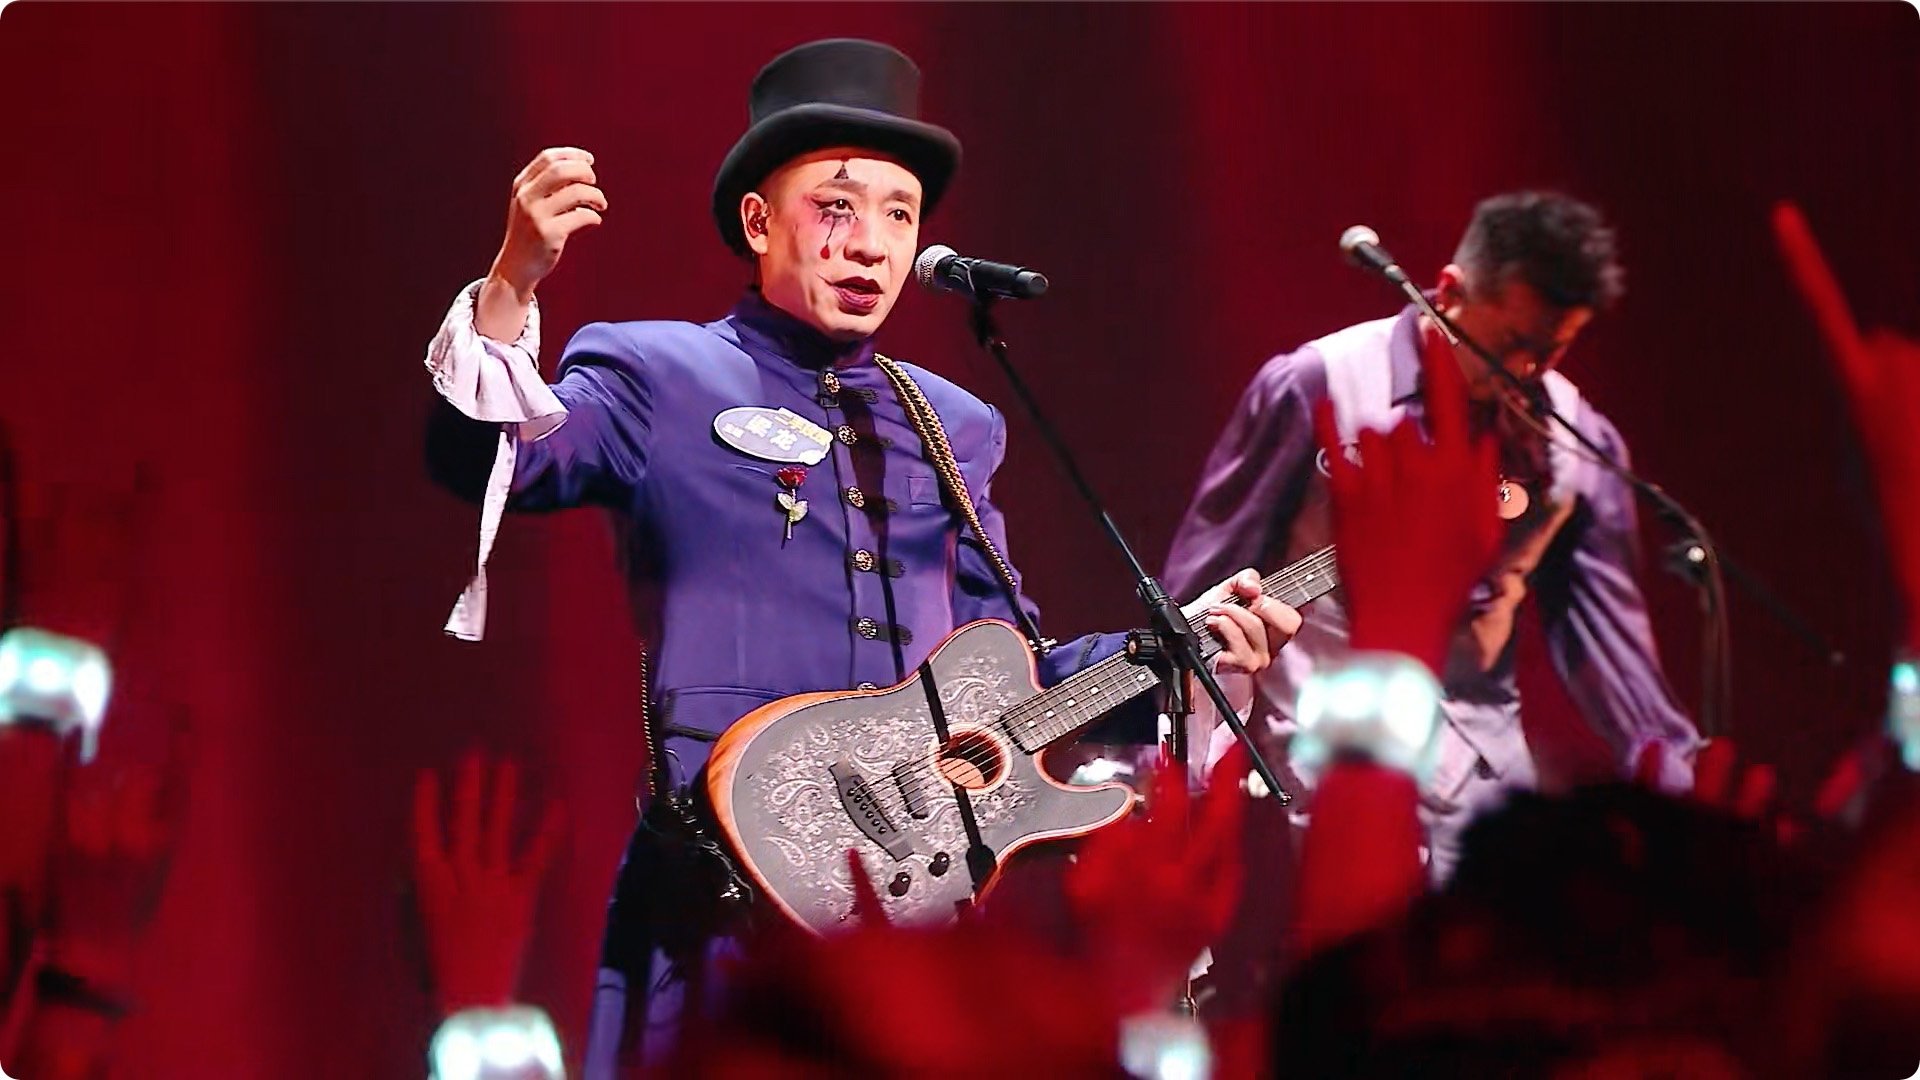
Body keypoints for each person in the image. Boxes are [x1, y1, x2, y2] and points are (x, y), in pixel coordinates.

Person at [420, 38, 1299, 1075]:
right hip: (727, 891)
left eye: (899, 214)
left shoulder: (954, 424)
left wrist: (1185, 653)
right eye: (836, 207)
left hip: (918, 921)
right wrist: (513, 282)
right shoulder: (659, 371)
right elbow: (497, 464)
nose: (872, 246)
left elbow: (1010, 673)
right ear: (759, 222)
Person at [1165, 191, 1701, 880]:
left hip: (1490, 790)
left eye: (1551, 350)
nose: (1528, 373)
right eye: (1510, 346)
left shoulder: (1578, 440)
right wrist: (1178, 772)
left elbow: (1610, 648)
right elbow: (1198, 588)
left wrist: (1681, 786)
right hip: (1331, 768)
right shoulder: (1317, 384)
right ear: (1448, 292)